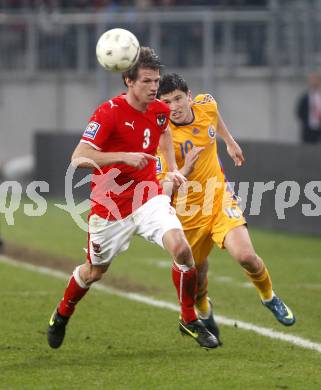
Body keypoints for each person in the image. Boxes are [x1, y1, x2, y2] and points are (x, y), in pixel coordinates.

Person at [47, 48, 218, 350]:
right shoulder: (108, 112)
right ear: (128, 80)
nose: (154, 88)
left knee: (182, 249)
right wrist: (123, 157)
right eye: (147, 81)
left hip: (148, 195)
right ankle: (63, 312)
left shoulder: (159, 110)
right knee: (94, 271)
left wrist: (172, 170)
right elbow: (79, 157)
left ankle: (188, 319)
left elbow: (164, 133)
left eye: (156, 81)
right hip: (110, 206)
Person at [156, 73, 296, 341]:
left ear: (189, 96)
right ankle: (204, 309)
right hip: (187, 213)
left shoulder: (205, 104)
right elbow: (165, 189)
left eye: (177, 98)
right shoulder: (163, 138)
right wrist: (185, 169)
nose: (174, 106)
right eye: (166, 102)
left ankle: (269, 297)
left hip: (219, 199)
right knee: (196, 275)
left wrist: (229, 142)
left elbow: (214, 116)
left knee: (246, 256)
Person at [296, 72, 321, 143]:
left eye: (316, 80)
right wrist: (306, 123)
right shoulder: (305, 98)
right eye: (312, 80)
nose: (314, 82)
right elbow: (299, 112)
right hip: (308, 130)